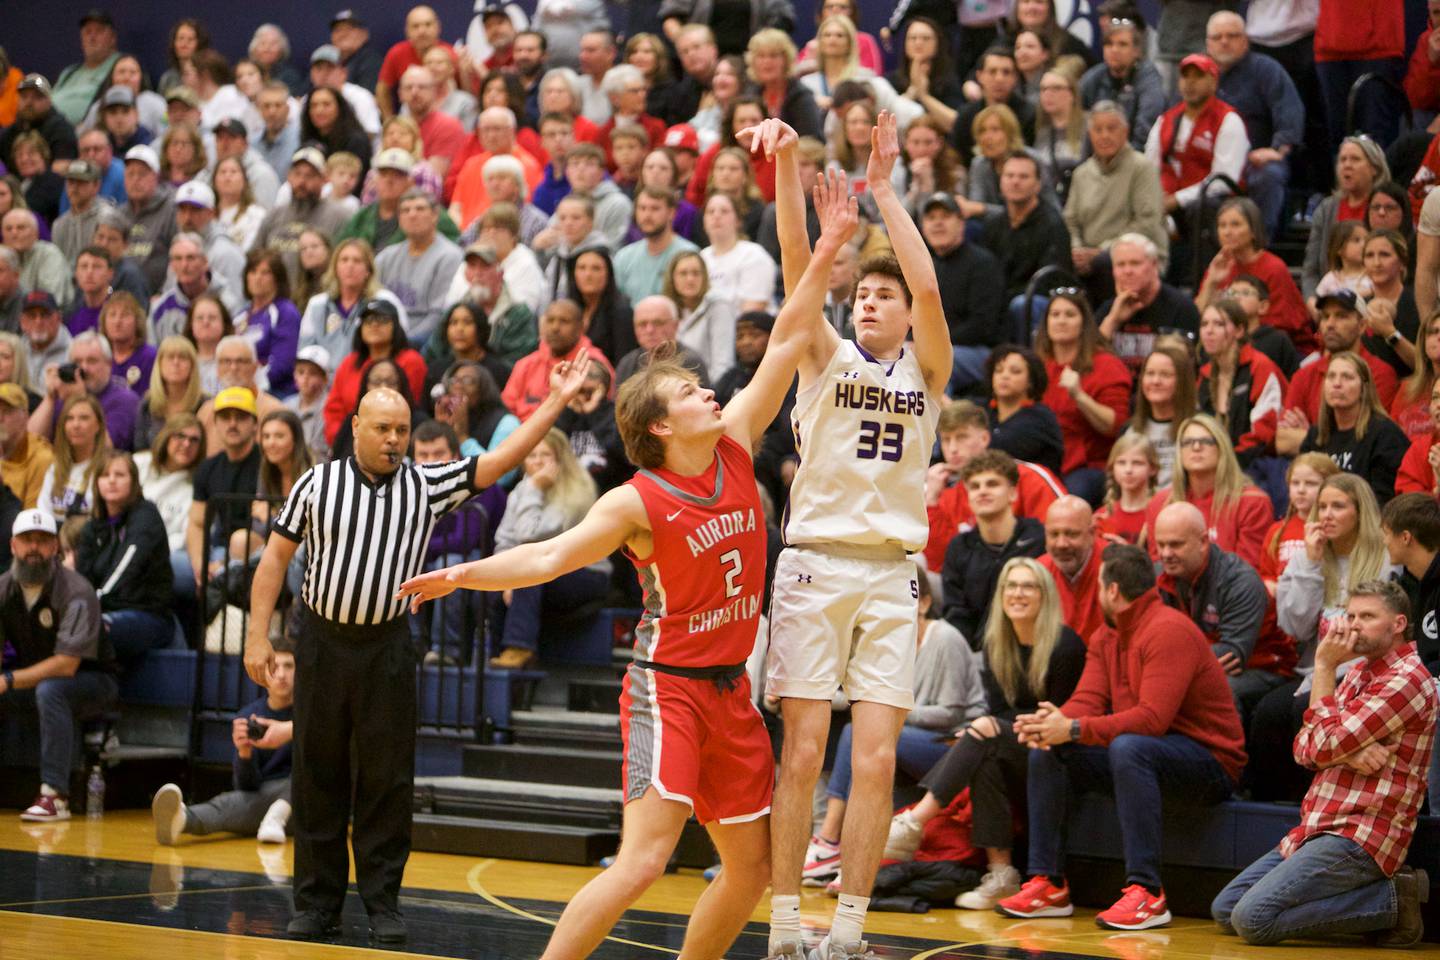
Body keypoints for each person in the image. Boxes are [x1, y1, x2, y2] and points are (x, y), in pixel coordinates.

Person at [401, 123, 852, 960]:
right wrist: (459, 572)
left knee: (749, 872)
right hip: (668, 688)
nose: (710, 392)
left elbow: (793, 330)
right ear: (656, 422)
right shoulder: (634, 500)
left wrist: (820, 245)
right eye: (689, 389)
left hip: (731, 692)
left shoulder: (734, 438)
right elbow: (544, 558)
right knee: (645, 858)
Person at [243, 318, 588, 943]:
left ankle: (382, 904)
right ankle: (316, 905)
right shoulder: (316, 484)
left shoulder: (428, 486)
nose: (395, 440)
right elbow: (273, 561)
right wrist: (257, 637)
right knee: (316, 774)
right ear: (355, 430)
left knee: (386, 777)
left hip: (387, 649)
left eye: (402, 429)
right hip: (321, 640)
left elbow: (504, 458)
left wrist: (558, 400)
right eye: (383, 429)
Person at [995, 543, 1246, 930]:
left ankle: (1147, 893)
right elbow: (1088, 699)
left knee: (1130, 746)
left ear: (1112, 590)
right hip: (1147, 754)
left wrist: (1074, 728)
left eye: (1098, 584)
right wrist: (1053, 722)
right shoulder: (1106, 637)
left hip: (1210, 763)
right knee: (1050, 749)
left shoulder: (1168, 629)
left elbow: (1151, 720)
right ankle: (1048, 884)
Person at [1214, 579, 1434, 948]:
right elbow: (1304, 749)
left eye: (1367, 616)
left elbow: (1322, 742)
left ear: (1398, 624)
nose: (1353, 625)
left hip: (1360, 835)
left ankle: (1393, 901)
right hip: (1318, 827)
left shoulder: (1407, 678)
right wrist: (1348, 751)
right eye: (1349, 615)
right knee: (1226, 909)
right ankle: (1380, 899)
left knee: (1253, 920)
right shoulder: (1359, 673)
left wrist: (1322, 666)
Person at [883, 558, 1087, 910]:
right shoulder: (997, 644)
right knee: (984, 751)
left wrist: (993, 727)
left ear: (1045, 596)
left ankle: (914, 821)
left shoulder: (1065, 645)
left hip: (1060, 749)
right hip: (1017, 744)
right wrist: (992, 728)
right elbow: (999, 710)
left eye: (1028, 586)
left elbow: (1059, 714)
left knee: (983, 733)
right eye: (1011, 586)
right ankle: (1002, 875)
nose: (1017, 594)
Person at [804, 564, 985, 884]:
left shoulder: (944, 638)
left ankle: (829, 838)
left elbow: (951, 713)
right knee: (854, 731)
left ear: (925, 603)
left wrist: (887, 710)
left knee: (859, 730)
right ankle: (841, 845)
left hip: (956, 746)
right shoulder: (885, 643)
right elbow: (855, 696)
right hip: (912, 739)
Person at [1255, 473, 1396, 802]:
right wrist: (1310, 565)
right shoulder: (1308, 558)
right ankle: (1278, 804)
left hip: (1366, 671)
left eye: (1338, 506)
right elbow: (1295, 627)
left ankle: (1320, 800)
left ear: (1359, 511)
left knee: (1300, 710)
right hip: (1316, 670)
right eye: (1322, 507)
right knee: (1267, 713)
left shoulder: (1384, 559)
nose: (1327, 515)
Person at [0, 508, 117, 822]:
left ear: (55, 548)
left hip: (93, 682)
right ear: (13, 546)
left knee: (51, 690)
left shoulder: (77, 591)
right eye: (27, 540)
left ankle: (55, 796)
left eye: (43, 540)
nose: (34, 548)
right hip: (34, 680)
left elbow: (67, 664)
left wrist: (8, 680)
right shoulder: (4, 588)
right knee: (41, 689)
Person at [1152, 500, 1293, 723]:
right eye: (1160, 545)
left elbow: (1232, 655)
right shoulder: (1158, 574)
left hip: (1265, 667)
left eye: (1176, 544)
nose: (1165, 553)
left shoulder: (1240, 580)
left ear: (1203, 542)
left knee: (1217, 688)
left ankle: (1227, 757)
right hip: (1197, 667)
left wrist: (1168, 661)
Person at [154, 633, 295, 845]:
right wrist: (244, 753)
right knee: (232, 801)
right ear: (262, 671)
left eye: (289, 666)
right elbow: (246, 786)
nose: (282, 674)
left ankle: (278, 813)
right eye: (275, 666)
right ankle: (182, 819)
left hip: (306, 802)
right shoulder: (250, 715)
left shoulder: (312, 714)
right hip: (261, 799)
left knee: (303, 778)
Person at [484, 429, 609, 668]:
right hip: (542, 572)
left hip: (586, 573)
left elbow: (530, 534)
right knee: (491, 583)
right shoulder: (522, 490)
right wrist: (504, 577)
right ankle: (499, 660)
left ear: (561, 459)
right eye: (532, 455)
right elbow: (505, 541)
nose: (538, 461)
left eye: (546, 455)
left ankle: (520, 647)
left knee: (530, 576)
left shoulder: (577, 489)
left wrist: (534, 490)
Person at [922, 400, 1064, 577]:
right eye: (946, 440)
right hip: (973, 589)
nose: (953, 449)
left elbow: (1061, 537)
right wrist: (931, 501)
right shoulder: (946, 495)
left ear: (984, 438)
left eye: (961, 437)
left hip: (1032, 579)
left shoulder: (1029, 477)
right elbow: (941, 563)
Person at [1144, 53, 1248, 284]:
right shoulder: (1166, 120)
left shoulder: (1228, 121)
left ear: (1213, 81)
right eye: (1185, 77)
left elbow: (1223, 180)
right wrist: (1154, 199)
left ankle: (1201, 284)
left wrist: (1176, 200)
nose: (1190, 83)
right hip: (1166, 200)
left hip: (1212, 203)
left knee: (1203, 207)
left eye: (1198, 77)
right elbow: (1149, 167)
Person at [1207, 11, 1304, 239]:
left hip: (1253, 161)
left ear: (1245, 40)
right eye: (1217, 37)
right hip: (1207, 160)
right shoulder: (1197, 74)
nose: (1224, 41)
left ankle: (1257, 249)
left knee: (1268, 175)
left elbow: (1290, 113)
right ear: (1207, 43)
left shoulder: (1266, 70)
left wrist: (1277, 149)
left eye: (1232, 35)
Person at [1063, 102, 1168, 306]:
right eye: (1098, 130)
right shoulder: (1081, 173)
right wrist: (1076, 249)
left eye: (1111, 129)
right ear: (1090, 135)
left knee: (1106, 263)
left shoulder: (1142, 168)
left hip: (1134, 256)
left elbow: (1146, 223)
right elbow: (1070, 220)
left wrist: (1103, 251)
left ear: (1125, 131)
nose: (1104, 136)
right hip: (1088, 258)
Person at [73, 451, 171, 665]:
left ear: (134, 482)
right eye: (105, 475)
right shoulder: (93, 527)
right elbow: (82, 578)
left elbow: (129, 563)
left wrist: (96, 599)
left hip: (147, 616)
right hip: (103, 610)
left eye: (119, 474)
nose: (111, 480)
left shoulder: (146, 516)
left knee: (90, 628)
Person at [942, 450, 1048, 645]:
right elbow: (955, 613)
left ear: (1013, 493)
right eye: (974, 486)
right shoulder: (959, 547)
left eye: (992, 484)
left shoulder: (1038, 538)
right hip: (973, 653)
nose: (982, 491)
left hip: (1029, 645)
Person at [1034, 290, 1131, 504]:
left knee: (1069, 498)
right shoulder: (1037, 365)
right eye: (1055, 314)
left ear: (1084, 323)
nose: (1061, 321)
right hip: (1042, 461)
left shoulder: (1106, 365)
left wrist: (1079, 396)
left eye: (1070, 315)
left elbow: (1115, 426)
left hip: (1087, 467)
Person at [1141, 413, 1273, 569]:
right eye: (1188, 442)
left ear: (1221, 448)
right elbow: (1160, 569)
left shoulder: (1252, 502)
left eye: (1206, 441)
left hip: (1231, 591)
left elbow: (1246, 573)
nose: (1196, 447)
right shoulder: (1160, 504)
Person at [1278, 291, 1400, 448]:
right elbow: (1283, 442)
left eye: (1341, 316)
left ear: (1362, 326)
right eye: (1325, 316)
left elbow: (1370, 441)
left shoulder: (1380, 373)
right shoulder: (1304, 374)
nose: (1330, 324)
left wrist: (1311, 437)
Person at [1195, 197, 1312, 354]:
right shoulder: (1218, 266)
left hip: (1271, 346)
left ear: (1253, 231)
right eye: (1222, 226)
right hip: (1228, 342)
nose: (1227, 232)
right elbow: (1197, 317)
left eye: (1235, 224)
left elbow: (1284, 325)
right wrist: (1211, 282)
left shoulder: (1273, 267)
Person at [1297, 351, 1409, 504]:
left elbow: (1385, 500)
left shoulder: (1385, 434)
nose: (1337, 384)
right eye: (1331, 376)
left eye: (1347, 377)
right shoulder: (1315, 436)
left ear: (1364, 388)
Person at [921, 191, 1003, 394]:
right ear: (923, 227)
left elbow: (982, 326)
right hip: (934, 346)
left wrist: (932, 343)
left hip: (979, 352)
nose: (938, 223)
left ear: (961, 223)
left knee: (936, 363)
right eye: (931, 218)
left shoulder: (983, 263)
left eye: (945, 217)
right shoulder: (924, 266)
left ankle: (936, 425)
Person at [186, 386, 261, 594]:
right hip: (215, 551)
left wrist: (224, 564)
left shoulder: (267, 465)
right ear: (215, 424)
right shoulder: (208, 467)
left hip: (255, 554)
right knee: (170, 568)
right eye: (225, 417)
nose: (233, 424)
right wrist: (199, 563)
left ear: (255, 424)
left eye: (241, 417)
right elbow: (197, 524)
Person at [1195, 298, 1287, 467]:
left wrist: (1225, 464)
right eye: (1204, 324)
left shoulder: (1260, 367)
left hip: (1256, 466)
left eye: (1218, 324)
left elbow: (1263, 434)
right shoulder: (1205, 374)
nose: (1209, 331)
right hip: (1215, 466)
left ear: (1239, 330)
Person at [322, 299, 426, 446]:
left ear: (395, 325)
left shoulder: (411, 361)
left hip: (398, 440)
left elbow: (410, 405)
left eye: (382, 320)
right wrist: (345, 439)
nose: (374, 325)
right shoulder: (349, 363)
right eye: (368, 320)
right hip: (351, 440)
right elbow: (333, 410)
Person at [1301, 136, 1389, 300]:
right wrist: (1312, 301)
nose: (1347, 165)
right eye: (1342, 160)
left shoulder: (1385, 207)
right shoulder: (1326, 209)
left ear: (1374, 168)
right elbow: (1310, 269)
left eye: (1355, 159)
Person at [1096, 234, 1200, 374]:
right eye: (1120, 265)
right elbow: (1088, 362)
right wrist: (1113, 320)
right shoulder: (1109, 310)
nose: (1127, 271)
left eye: (1135, 263)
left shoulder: (1182, 308)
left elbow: (1186, 370)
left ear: (1154, 265)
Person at [375, 191, 464, 346]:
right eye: (405, 210)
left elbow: (439, 316)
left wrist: (403, 342)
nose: (412, 215)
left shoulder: (450, 256)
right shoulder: (386, 257)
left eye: (420, 209)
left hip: (423, 342)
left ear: (435, 215)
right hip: (382, 337)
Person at [253, 148, 351, 284]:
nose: (301, 182)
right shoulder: (274, 215)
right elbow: (254, 258)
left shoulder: (340, 216)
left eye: (309, 176)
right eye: (297, 174)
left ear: (323, 179)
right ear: (289, 176)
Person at [1078, 14, 1165, 150]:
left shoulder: (1148, 78)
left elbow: (1145, 131)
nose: (1114, 50)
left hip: (1135, 157)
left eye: (1122, 44)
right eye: (1109, 44)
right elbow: (1076, 120)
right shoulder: (1094, 77)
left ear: (1136, 51)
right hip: (1097, 157)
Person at [985, 345, 1064, 478]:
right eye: (998, 371)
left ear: (1031, 382)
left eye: (1015, 371)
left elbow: (1000, 449)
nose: (1004, 376)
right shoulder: (985, 412)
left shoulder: (1041, 418)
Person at [1037, 496, 1105, 643]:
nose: (1061, 544)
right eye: (1054, 534)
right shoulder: (1038, 574)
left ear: (1092, 533)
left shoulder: (1117, 568)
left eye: (1071, 534)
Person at [664, 252, 735, 382]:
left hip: (708, 388)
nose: (690, 279)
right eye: (683, 273)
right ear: (672, 278)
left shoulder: (719, 307)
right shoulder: (666, 310)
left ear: (705, 278)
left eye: (696, 273)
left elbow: (723, 364)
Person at [1095, 433, 1159, 546]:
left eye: (1137, 463)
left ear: (1152, 468)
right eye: (1121, 463)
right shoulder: (1102, 516)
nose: (1128, 470)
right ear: (1112, 468)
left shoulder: (1160, 513)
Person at [4, 210, 71, 310]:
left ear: (35, 232)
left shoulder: (49, 254)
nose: (14, 233)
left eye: (21, 227)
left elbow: (51, 300)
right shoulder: (3, 258)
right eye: (8, 229)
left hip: (49, 317)